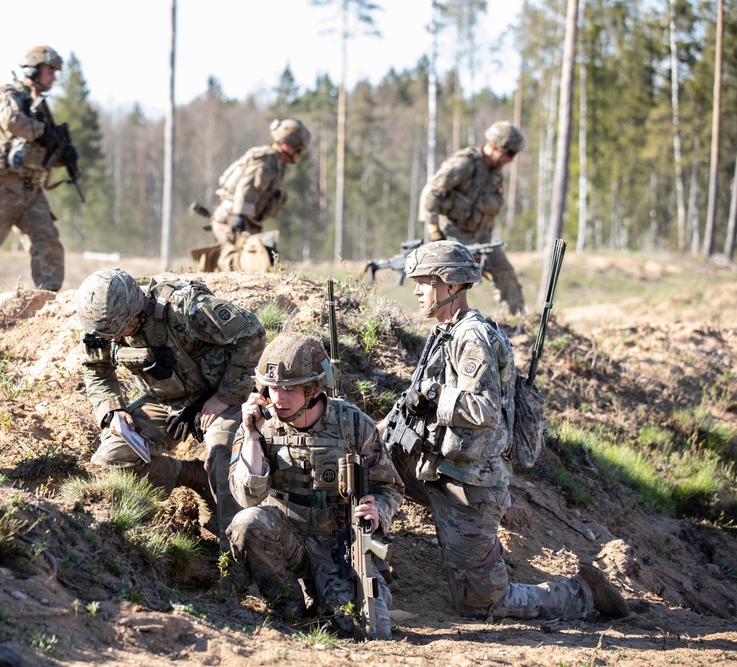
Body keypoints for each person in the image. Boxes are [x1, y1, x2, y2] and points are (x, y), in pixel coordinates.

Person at [382, 240, 629, 622]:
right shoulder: (445, 332)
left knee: (482, 604)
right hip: (438, 470)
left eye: (424, 281)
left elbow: (484, 410)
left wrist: (435, 393)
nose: (415, 289)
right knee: (364, 470)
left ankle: (581, 594)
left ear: (450, 285)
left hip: (469, 485)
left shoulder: (471, 337)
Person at [228, 333, 404, 638]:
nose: (278, 399)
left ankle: (324, 598)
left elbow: (389, 487)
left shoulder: (353, 424)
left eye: (290, 390)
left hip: (338, 545)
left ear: (313, 390)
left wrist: (379, 512)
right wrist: (253, 437)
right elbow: (248, 497)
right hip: (285, 537)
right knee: (247, 523)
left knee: (364, 629)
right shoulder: (258, 426)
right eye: (272, 389)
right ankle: (287, 607)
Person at [77, 268, 266, 548]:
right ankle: (190, 476)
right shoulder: (104, 324)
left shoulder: (185, 308)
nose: (115, 341)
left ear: (134, 312)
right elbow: (96, 368)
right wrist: (113, 411)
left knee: (223, 458)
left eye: (120, 333)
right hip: (165, 401)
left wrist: (225, 395)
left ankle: (236, 557)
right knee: (112, 458)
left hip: (219, 395)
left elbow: (252, 332)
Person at [0, 45, 79, 292]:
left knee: (47, 243)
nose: (54, 77)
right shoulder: (8, 94)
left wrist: (62, 154)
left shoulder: (39, 107)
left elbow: (41, 149)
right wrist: (43, 132)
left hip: (30, 190)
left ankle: (47, 300)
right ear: (33, 68)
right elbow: (11, 121)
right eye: (49, 70)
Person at [419, 121, 526, 314]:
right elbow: (431, 193)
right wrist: (434, 231)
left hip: (481, 237)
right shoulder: (464, 164)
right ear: (494, 145)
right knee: (451, 281)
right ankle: (441, 316)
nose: (511, 159)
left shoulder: (495, 174)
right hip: (453, 234)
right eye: (509, 153)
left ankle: (516, 321)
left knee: (506, 273)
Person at [203, 118, 310, 272]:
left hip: (247, 220)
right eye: (298, 150)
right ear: (286, 144)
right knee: (234, 262)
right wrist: (239, 215)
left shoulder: (278, 165)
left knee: (255, 261)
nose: (299, 155)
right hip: (233, 217)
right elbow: (246, 185)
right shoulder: (266, 160)